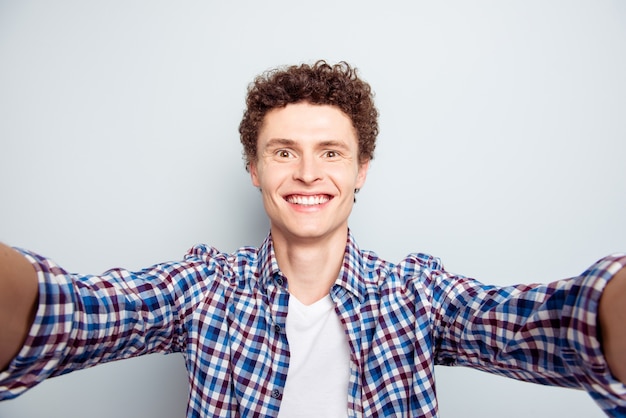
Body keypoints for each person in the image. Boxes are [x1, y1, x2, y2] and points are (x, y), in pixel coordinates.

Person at [1, 60, 625, 417]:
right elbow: (76, 313)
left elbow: (548, 325)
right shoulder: (201, 288)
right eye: (283, 152)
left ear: (361, 171)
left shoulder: (416, 294)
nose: (306, 174)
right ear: (254, 169)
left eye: (331, 152)